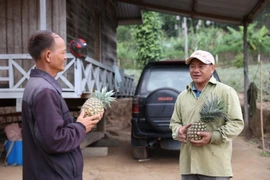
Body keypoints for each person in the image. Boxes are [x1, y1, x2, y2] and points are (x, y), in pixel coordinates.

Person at [22, 30, 103, 180]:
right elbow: (55, 140)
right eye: (63, 52)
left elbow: (47, 130)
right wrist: (80, 126)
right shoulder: (45, 91)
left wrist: (77, 121)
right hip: (53, 174)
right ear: (48, 56)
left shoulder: (37, 85)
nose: (66, 57)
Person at [169, 50, 244, 180]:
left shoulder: (225, 92)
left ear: (212, 68)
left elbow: (237, 123)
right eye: (192, 66)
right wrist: (178, 131)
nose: (196, 70)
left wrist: (213, 136)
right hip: (188, 166)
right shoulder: (182, 96)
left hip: (215, 166)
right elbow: (174, 122)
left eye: (201, 66)